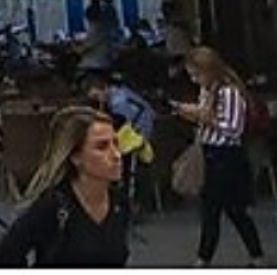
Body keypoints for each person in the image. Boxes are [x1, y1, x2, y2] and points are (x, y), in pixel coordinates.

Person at [0, 106, 129, 266]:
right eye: (102, 147)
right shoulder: (52, 207)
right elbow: (2, 259)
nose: (116, 155)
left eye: (116, 144)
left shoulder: (119, 204)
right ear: (76, 157)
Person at [173, 47, 267, 267]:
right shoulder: (208, 90)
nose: (195, 80)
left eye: (197, 74)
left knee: (229, 210)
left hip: (227, 156)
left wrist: (206, 117)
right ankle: (209, 257)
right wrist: (192, 113)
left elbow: (233, 129)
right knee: (216, 210)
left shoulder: (229, 92)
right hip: (209, 151)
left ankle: (246, 256)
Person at [85, 74, 155, 217]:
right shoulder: (118, 93)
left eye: (97, 96)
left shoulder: (119, 102)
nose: (98, 100)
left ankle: (123, 202)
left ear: (103, 89)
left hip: (137, 133)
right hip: (134, 130)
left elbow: (121, 125)